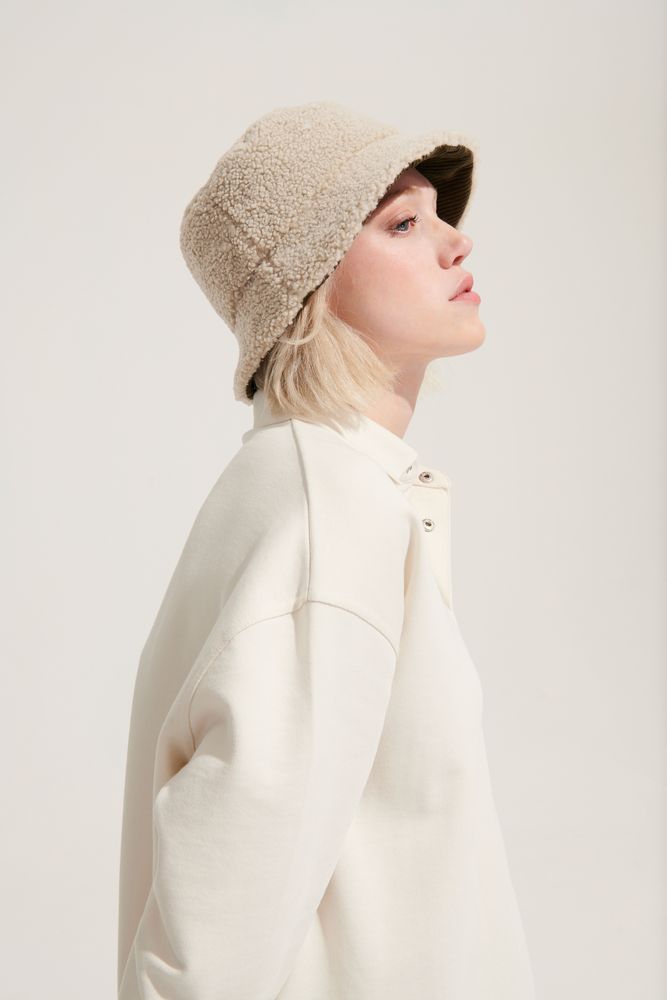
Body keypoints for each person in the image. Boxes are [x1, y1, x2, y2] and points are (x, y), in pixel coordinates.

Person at [117, 100, 537, 999]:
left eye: (440, 215)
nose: (456, 242)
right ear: (309, 286)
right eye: (402, 223)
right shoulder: (331, 510)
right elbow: (209, 949)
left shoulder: (301, 488)